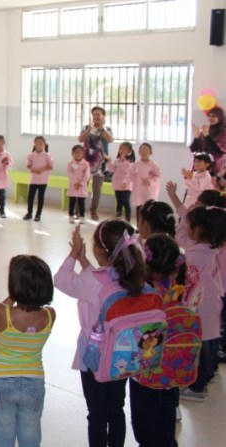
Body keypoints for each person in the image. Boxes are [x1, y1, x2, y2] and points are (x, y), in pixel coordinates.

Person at [54, 221, 147, 447]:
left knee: (96, 412)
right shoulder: (134, 276)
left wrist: (74, 255)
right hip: (123, 356)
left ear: (98, 249)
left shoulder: (91, 281)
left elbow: (61, 280)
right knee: (116, 408)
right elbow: (103, 279)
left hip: (94, 358)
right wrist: (85, 260)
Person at [163, 182, 226, 402]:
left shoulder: (197, 253)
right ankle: (206, 377)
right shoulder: (210, 245)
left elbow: (186, 273)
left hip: (203, 301)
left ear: (200, 230)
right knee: (209, 339)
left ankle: (199, 387)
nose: (186, 225)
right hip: (209, 298)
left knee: (205, 342)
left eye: (191, 224)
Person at [0, 255, 55, 447]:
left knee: (2, 433)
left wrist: (12, 297)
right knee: (31, 433)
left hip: (1, 381)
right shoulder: (50, 315)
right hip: (34, 382)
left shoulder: (2, 313)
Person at [129, 233, 183, 447]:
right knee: (165, 417)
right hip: (174, 367)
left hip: (146, 371)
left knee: (145, 425)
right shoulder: (178, 287)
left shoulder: (144, 292)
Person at [78, 106, 114, 221]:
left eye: (98, 114)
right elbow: (80, 139)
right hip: (86, 162)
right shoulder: (86, 127)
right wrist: (90, 129)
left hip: (101, 164)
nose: (96, 116)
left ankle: (93, 211)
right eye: (94, 114)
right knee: (82, 186)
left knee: (97, 190)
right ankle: (79, 210)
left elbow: (110, 140)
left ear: (103, 116)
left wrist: (102, 128)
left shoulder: (107, 129)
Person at [23, 136, 53, 222]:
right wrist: (33, 169)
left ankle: (38, 214)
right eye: (37, 143)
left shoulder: (47, 155)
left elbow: (51, 166)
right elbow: (28, 165)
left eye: (41, 143)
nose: (39, 145)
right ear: (34, 144)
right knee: (30, 197)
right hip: (33, 180)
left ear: (44, 144)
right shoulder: (31, 155)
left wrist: (41, 169)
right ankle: (29, 212)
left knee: (41, 197)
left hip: (43, 180)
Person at [190, 105, 226, 177]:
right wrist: (196, 138)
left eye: (214, 116)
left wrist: (207, 136)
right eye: (209, 116)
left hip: (215, 167)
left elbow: (219, 151)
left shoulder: (223, 132)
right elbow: (194, 149)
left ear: (220, 118)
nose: (210, 118)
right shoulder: (205, 130)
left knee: (211, 187)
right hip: (200, 165)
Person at [131, 143, 161, 224]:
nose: (144, 152)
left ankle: (149, 227)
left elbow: (158, 177)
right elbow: (130, 175)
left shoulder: (153, 165)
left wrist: (150, 181)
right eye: (142, 150)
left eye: (146, 150)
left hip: (149, 191)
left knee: (149, 210)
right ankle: (139, 226)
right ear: (139, 151)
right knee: (139, 209)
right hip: (138, 191)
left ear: (150, 152)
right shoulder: (136, 164)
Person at [107, 142, 135, 222]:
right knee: (119, 202)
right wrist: (109, 161)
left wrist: (123, 161)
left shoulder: (131, 163)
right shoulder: (117, 161)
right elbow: (111, 170)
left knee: (126, 202)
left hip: (126, 185)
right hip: (117, 184)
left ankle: (127, 220)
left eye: (125, 149)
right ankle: (117, 220)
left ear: (130, 151)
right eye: (121, 148)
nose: (122, 150)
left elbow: (125, 171)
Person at [67, 144, 92, 223]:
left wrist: (81, 183)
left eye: (80, 153)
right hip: (73, 185)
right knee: (72, 201)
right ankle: (71, 215)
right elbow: (70, 173)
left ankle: (82, 216)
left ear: (83, 154)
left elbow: (87, 174)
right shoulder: (70, 163)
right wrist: (75, 183)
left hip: (82, 186)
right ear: (72, 153)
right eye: (76, 153)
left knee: (81, 202)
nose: (78, 154)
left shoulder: (86, 164)